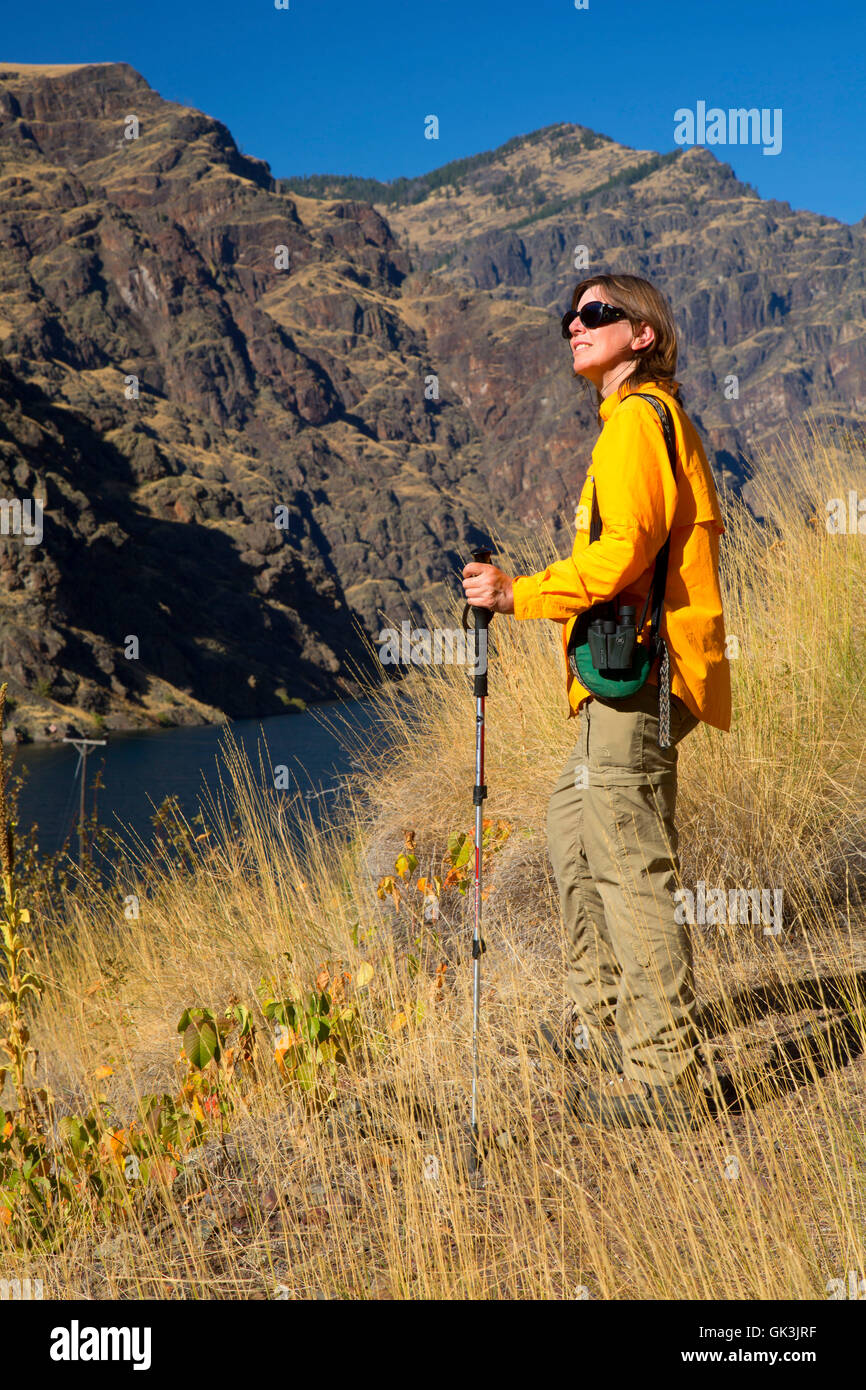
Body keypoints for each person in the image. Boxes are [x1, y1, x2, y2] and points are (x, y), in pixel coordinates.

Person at [461, 273, 731, 1131]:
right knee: (572, 837)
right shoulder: (622, 428)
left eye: (596, 313)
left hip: (641, 683)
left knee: (627, 857)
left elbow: (623, 555)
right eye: (569, 317)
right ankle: (610, 1026)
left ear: (642, 333)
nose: (574, 325)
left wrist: (517, 595)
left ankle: (667, 1074)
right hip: (614, 684)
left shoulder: (644, 421)